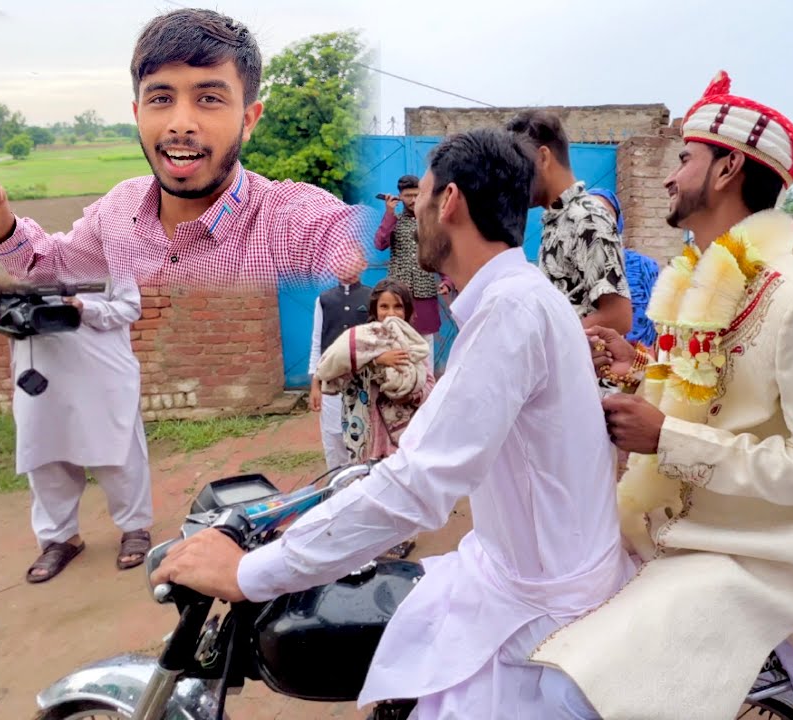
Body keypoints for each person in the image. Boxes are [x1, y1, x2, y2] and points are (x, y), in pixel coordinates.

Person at [150, 128, 633, 719]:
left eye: (424, 197)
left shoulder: (510, 312)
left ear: (449, 201)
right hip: (522, 568)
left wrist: (252, 572)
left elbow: (418, 486)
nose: (417, 210)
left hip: (536, 609)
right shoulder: (524, 296)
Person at [532, 71, 793, 719]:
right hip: (675, 529)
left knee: (567, 691)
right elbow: (710, 401)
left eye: (684, 160)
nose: (668, 176)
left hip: (750, 556)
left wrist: (665, 438)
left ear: (727, 171)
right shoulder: (704, 282)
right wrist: (633, 370)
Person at [0, 8, 368, 291]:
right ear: (137, 113)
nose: (180, 123)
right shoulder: (117, 210)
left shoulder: (287, 221)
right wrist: (0, 228)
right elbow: (52, 267)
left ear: (249, 120)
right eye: (161, 98)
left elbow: (340, 236)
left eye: (209, 98)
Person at [0, 263, 152, 583]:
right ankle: (60, 539)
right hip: (38, 379)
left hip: (102, 373)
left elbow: (129, 307)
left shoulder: (104, 249)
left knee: (117, 450)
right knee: (44, 456)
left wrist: (85, 308)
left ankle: (135, 528)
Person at [315, 278, 436, 560]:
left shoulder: (414, 343)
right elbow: (336, 374)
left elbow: (428, 385)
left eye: (397, 307)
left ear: (407, 311)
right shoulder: (361, 340)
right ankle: (367, 535)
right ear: (374, 308)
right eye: (384, 307)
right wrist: (376, 361)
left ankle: (401, 537)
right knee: (365, 482)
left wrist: (410, 394)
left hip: (398, 432)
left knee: (398, 485)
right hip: (363, 430)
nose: (390, 313)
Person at [506, 110, 632, 334]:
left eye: (518, 167)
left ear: (543, 158)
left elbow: (618, 316)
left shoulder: (588, 218)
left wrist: (547, 343)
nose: (514, 180)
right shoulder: (559, 218)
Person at [308, 264, 373, 470]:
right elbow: (317, 342)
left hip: (362, 379)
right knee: (333, 433)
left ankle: (362, 480)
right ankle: (337, 482)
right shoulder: (324, 300)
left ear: (363, 264)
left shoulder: (372, 298)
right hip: (332, 380)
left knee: (362, 431)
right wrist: (315, 385)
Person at [374, 175, 445, 341]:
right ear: (400, 196)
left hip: (425, 294)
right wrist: (389, 213)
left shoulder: (432, 223)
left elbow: (441, 255)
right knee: (397, 340)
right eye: (408, 196)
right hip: (399, 294)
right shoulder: (394, 221)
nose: (413, 200)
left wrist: (447, 282)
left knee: (425, 343)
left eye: (416, 195)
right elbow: (380, 243)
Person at [588, 187, 660, 348]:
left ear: (617, 223)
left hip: (640, 364)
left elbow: (659, 324)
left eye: (605, 215)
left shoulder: (644, 267)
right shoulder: (566, 272)